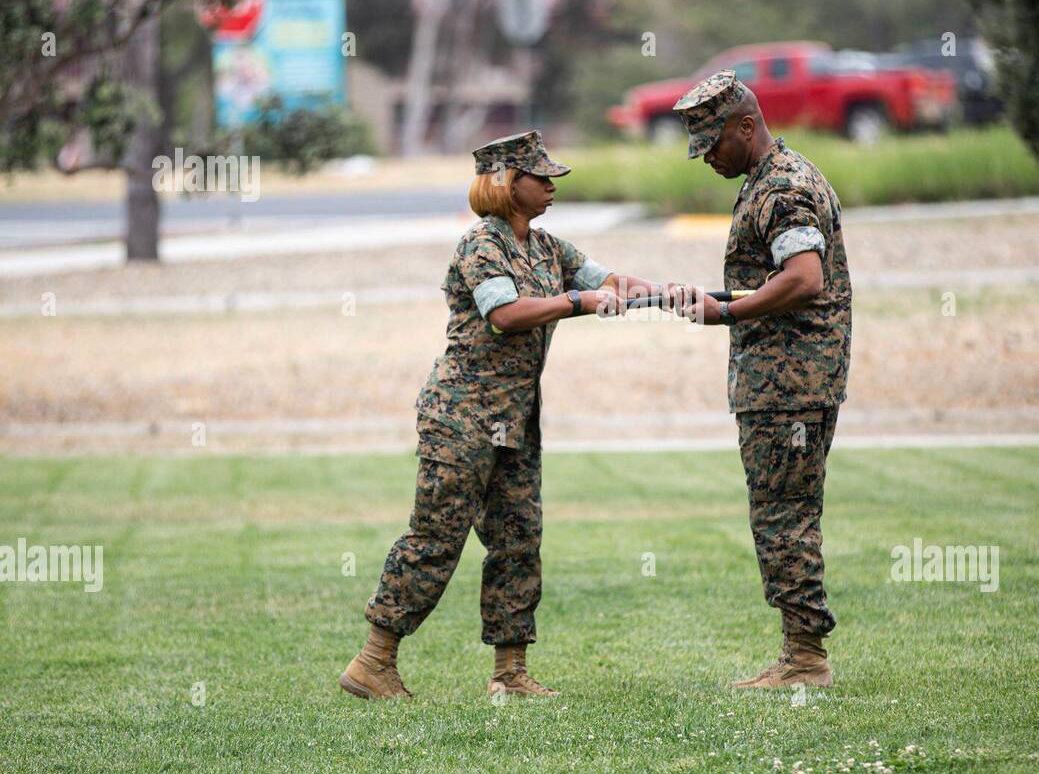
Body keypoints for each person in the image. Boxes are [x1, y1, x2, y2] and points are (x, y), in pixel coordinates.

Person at [339, 130, 664, 701]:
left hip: (514, 418)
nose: (552, 186)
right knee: (436, 538)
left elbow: (607, 281)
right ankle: (373, 663)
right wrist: (578, 303)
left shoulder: (548, 248)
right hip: (460, 414)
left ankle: (510, 675)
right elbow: (505, 314)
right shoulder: (479, 246)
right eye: (542, 178)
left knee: (518, 539)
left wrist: (666, 294)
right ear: (509, 186)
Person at [665, 71, 852, 688]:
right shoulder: (771, 180)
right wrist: (721, 297)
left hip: (789, 387)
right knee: (785, 512)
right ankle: (801, 653)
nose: (707, 158)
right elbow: (774, 276)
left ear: (747, 126)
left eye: (713, 143)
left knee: (783, 516)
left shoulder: (782, 189)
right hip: (786, 383)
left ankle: (804, 660)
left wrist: (726, 312)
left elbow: (803, 278)